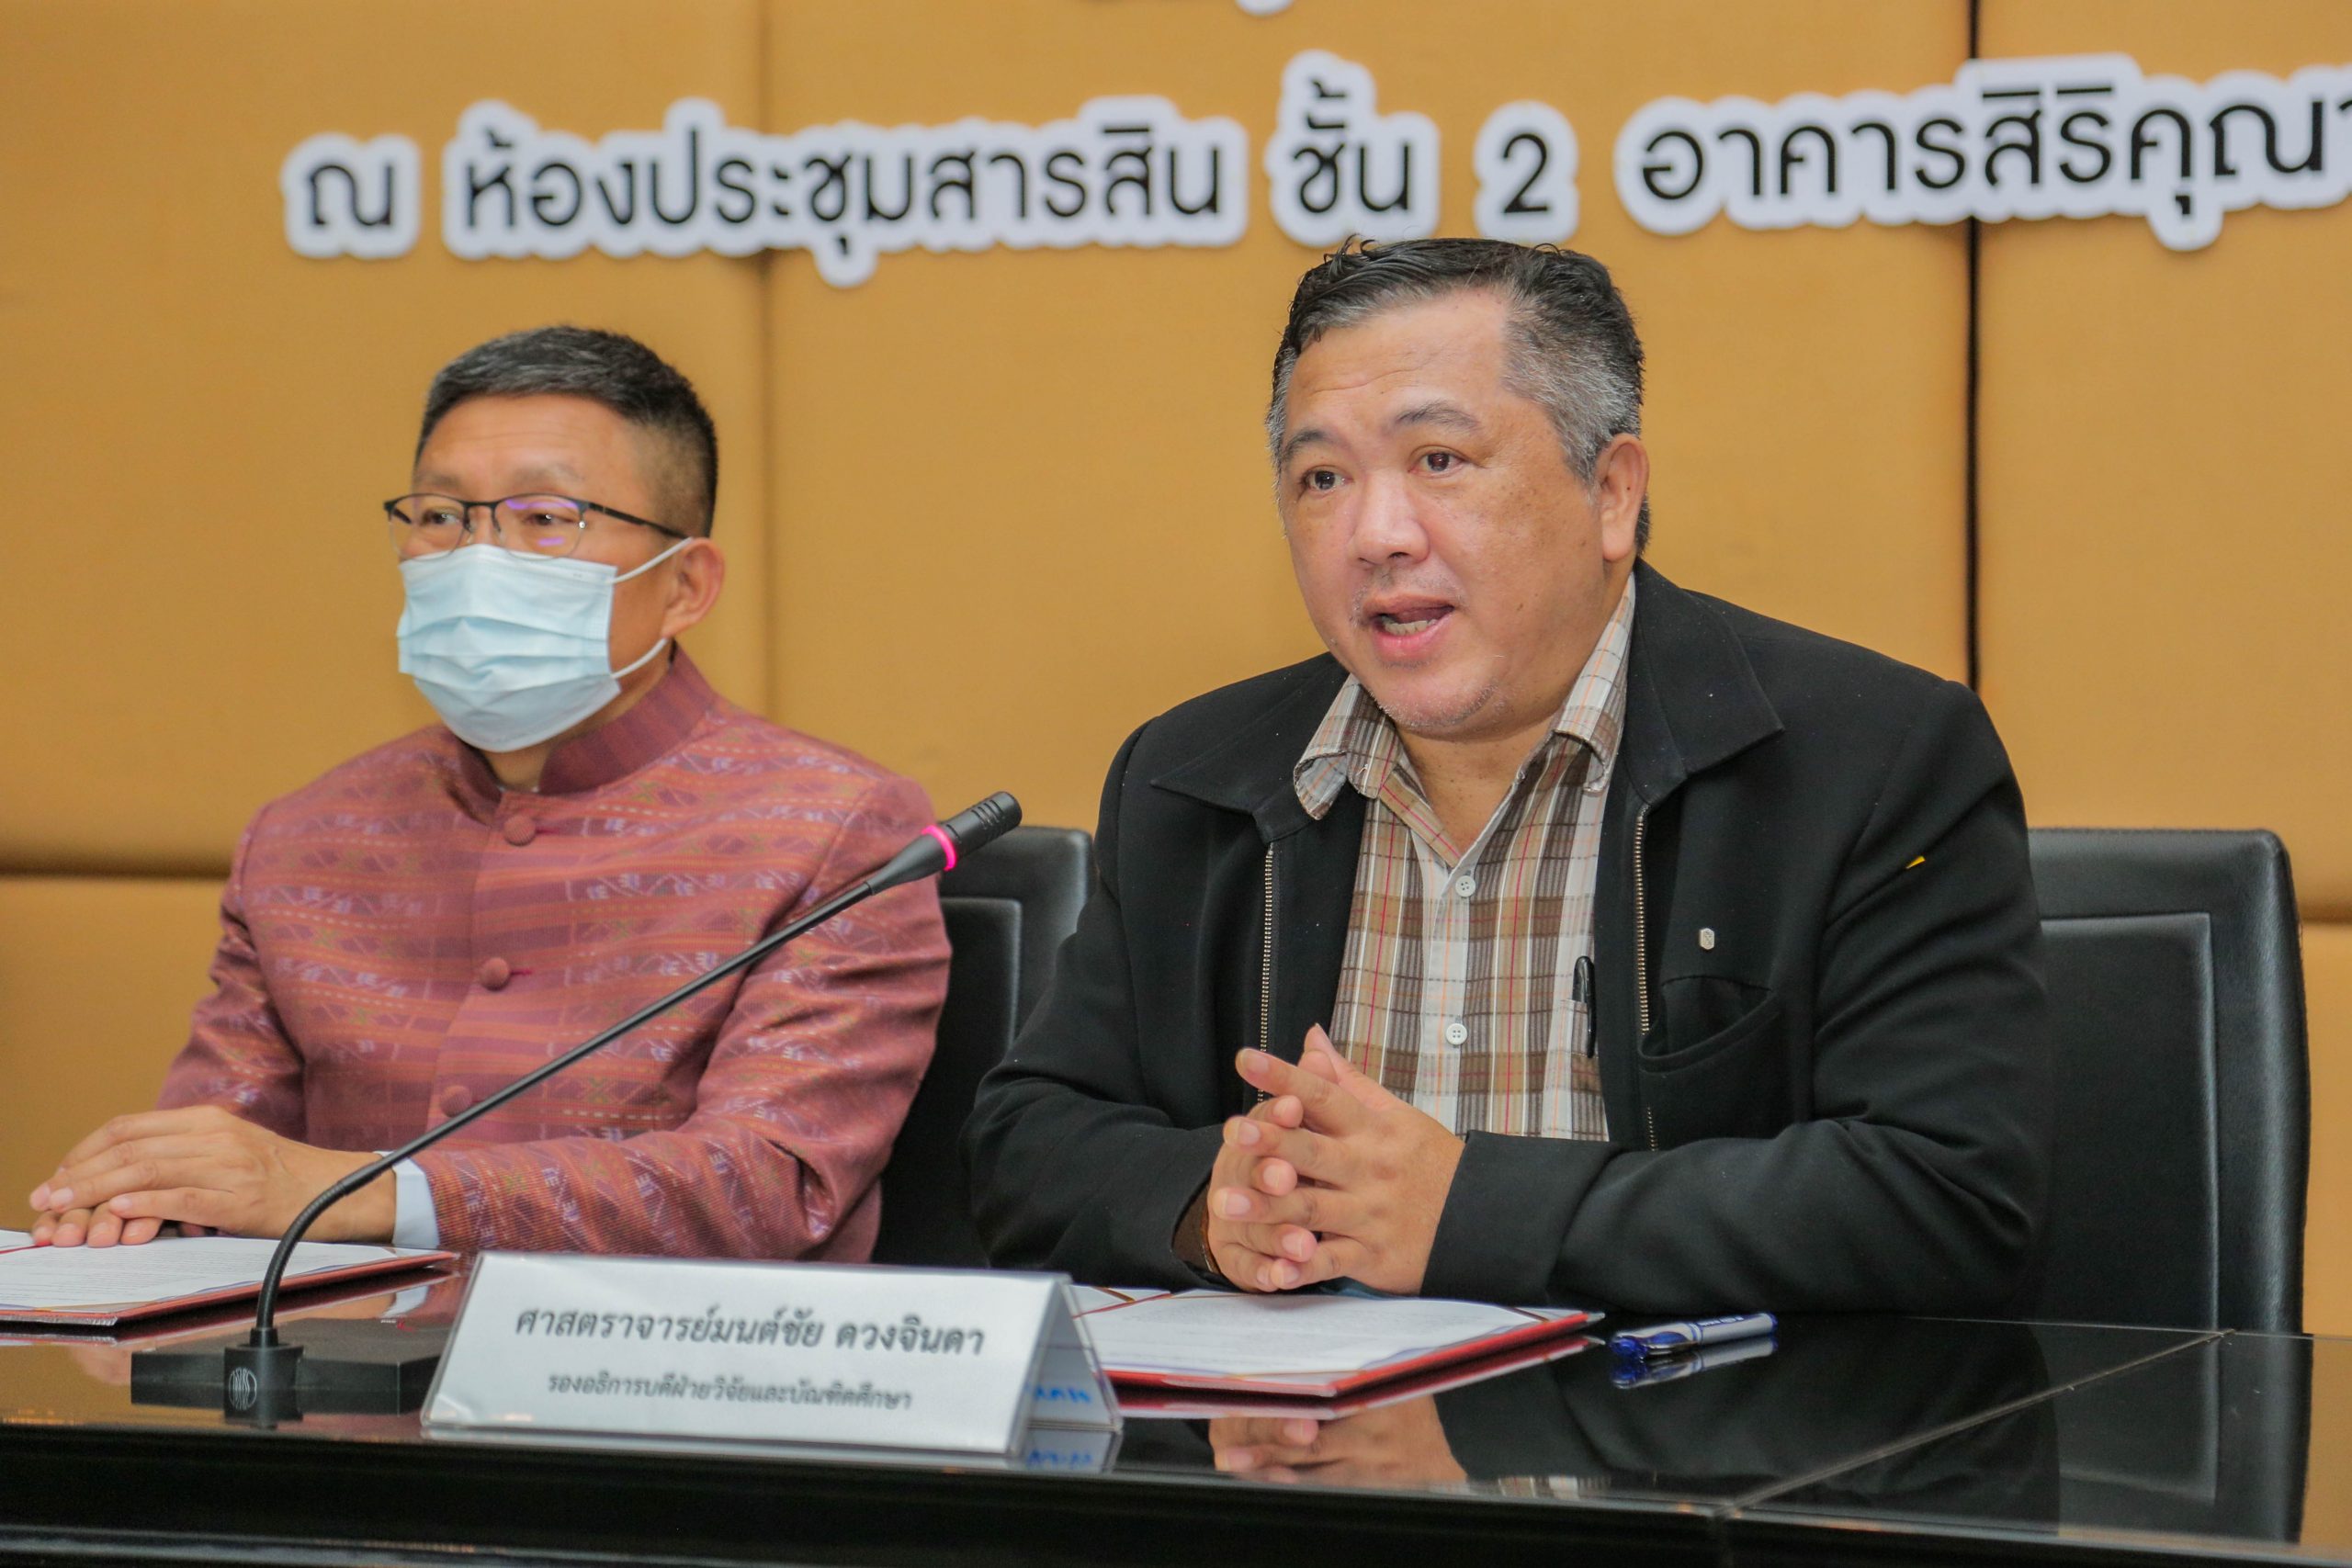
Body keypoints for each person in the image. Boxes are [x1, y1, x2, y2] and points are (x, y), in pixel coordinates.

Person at [966, 239, 2051, 1312]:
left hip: (1681, 1419)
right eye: (1322, 477)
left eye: (1438, 460)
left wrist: (1470, 1212)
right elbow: (1030, 1143)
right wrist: (1211, 1204)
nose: (1375, 535)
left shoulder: (1866, 761)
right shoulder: (1193, 778)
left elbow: (1944, 1194)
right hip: (1297, 1419)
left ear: (1610, 491)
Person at [28, 326, 949, 1258]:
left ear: (683, 585)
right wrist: (143, 1194)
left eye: (544, 518)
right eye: (440, 516)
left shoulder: (833, 833)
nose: (476, 557)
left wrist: (376, 1195)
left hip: (648, 1351)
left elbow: (766, 1183)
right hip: (324, 1351)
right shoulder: (302, 839)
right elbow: (218, 1160)